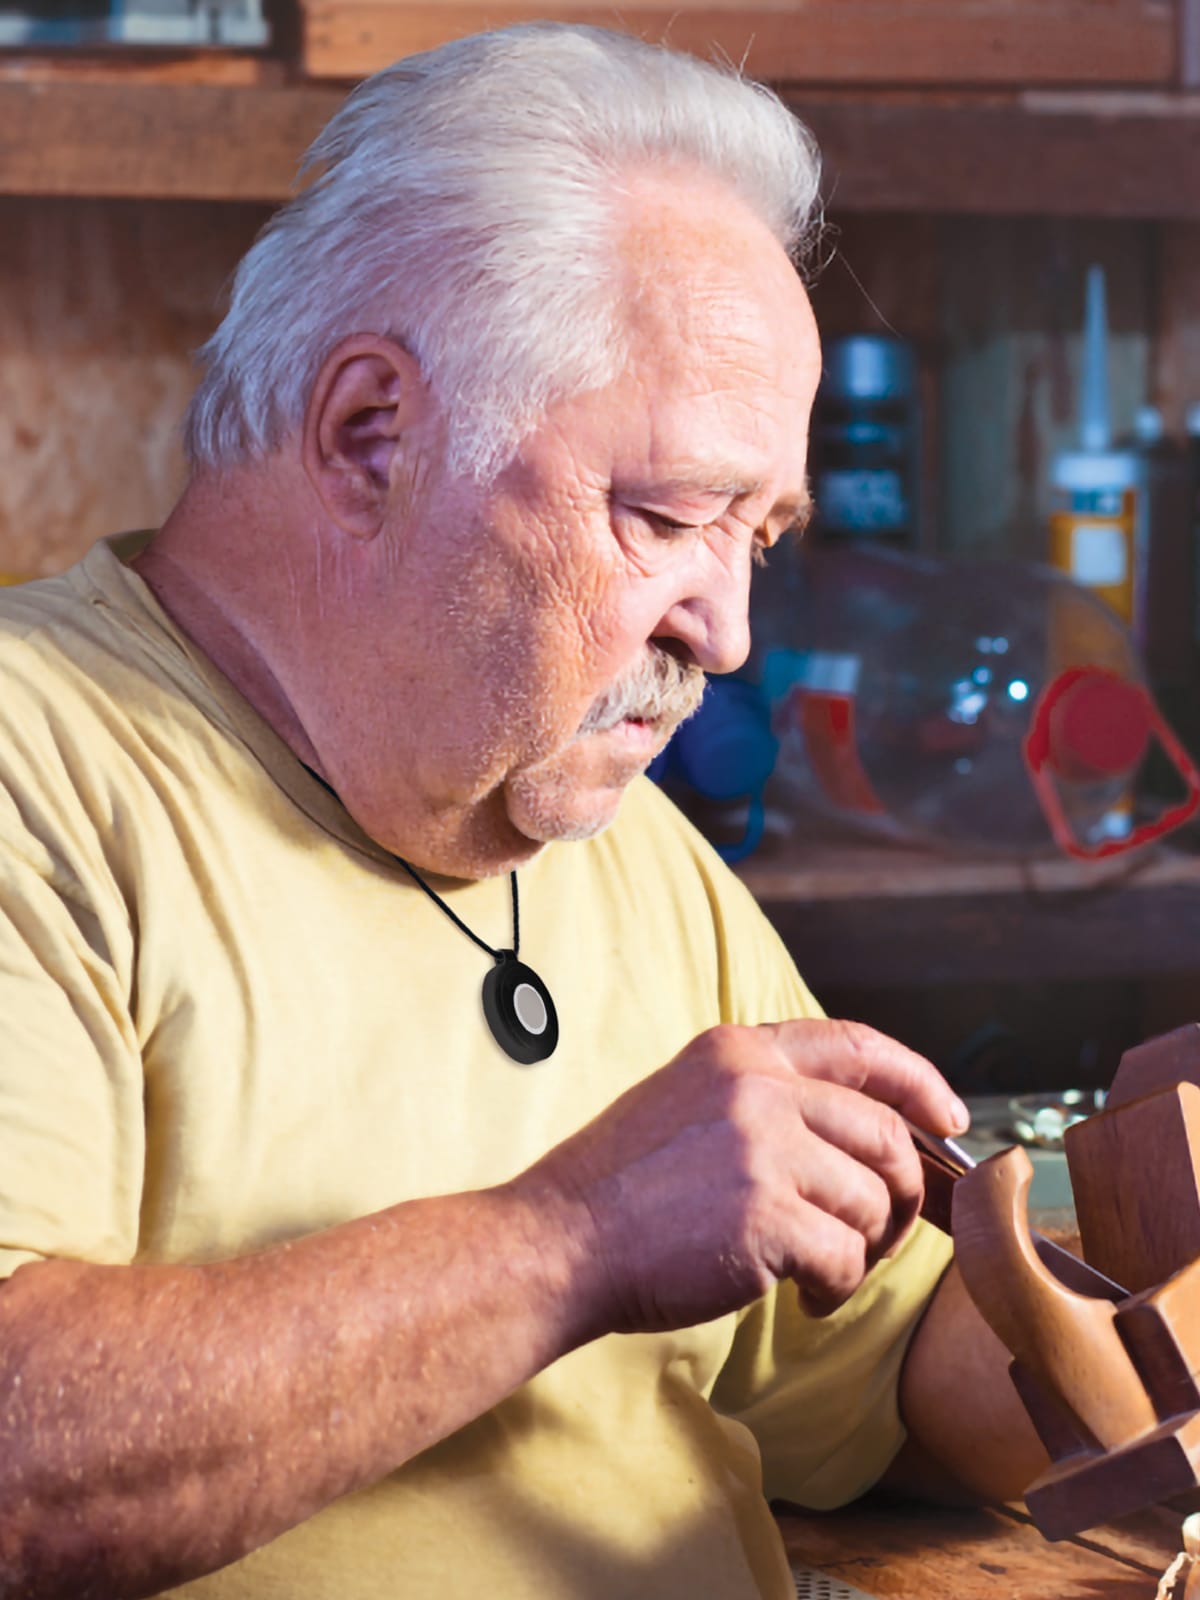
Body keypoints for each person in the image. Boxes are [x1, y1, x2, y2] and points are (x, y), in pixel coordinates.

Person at [0, 23, 1045, 1599]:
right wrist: (577, 1234)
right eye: (675, 515)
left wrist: (1136, 1252)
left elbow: (891, 1375)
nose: (731, 629)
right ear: (373, 436)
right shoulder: (41, 767)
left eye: (762, 535)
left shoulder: (621, 844)